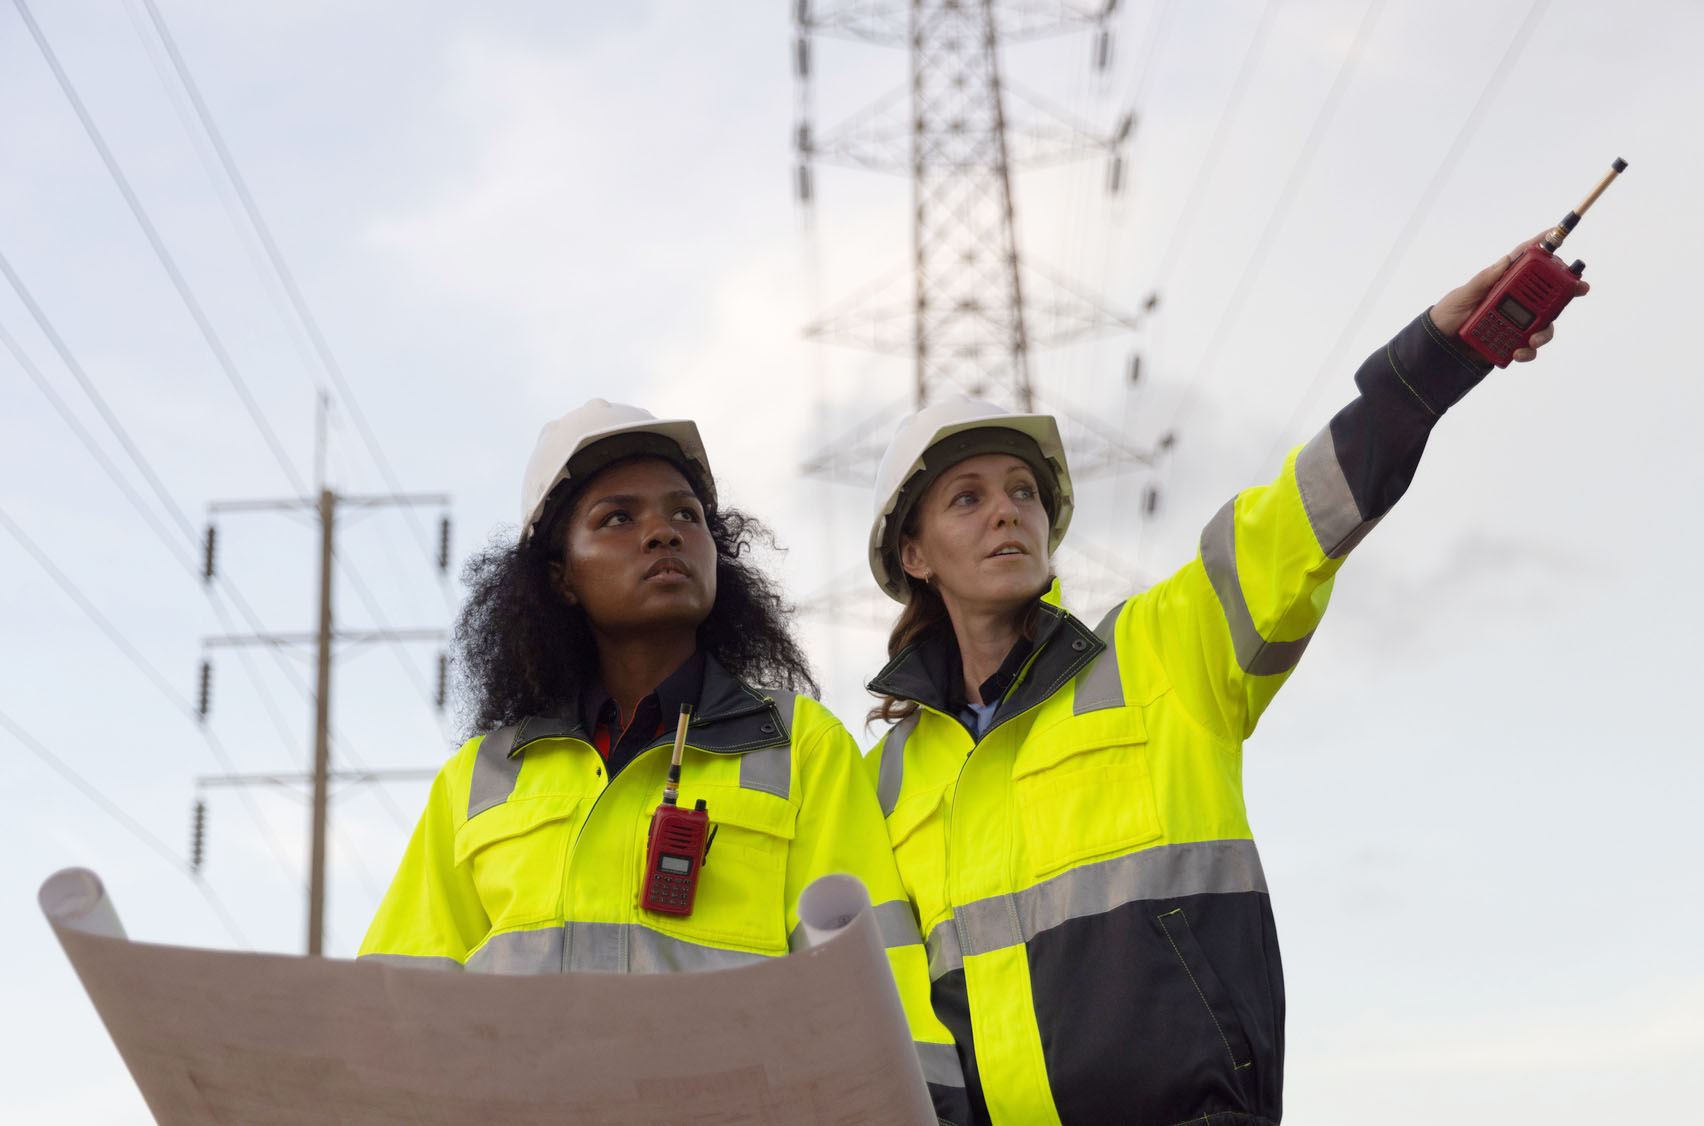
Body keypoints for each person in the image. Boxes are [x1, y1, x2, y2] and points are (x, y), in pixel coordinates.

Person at [860, 240, 1585, 1124]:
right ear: (912, 552)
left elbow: (1296, 521)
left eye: (1022, 490)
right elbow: (886, 1015)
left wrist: (1436, 357)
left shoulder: (1163, 649)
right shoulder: (882, 784)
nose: (1008, 508)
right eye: (966, 498)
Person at [360, 399, 968, 1122]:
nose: (662, 534)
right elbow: (395, 1011)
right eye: (617, 518)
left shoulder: (798, 745)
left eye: (686, 515)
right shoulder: (480, 777)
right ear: (559, 577)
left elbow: (871, 982)